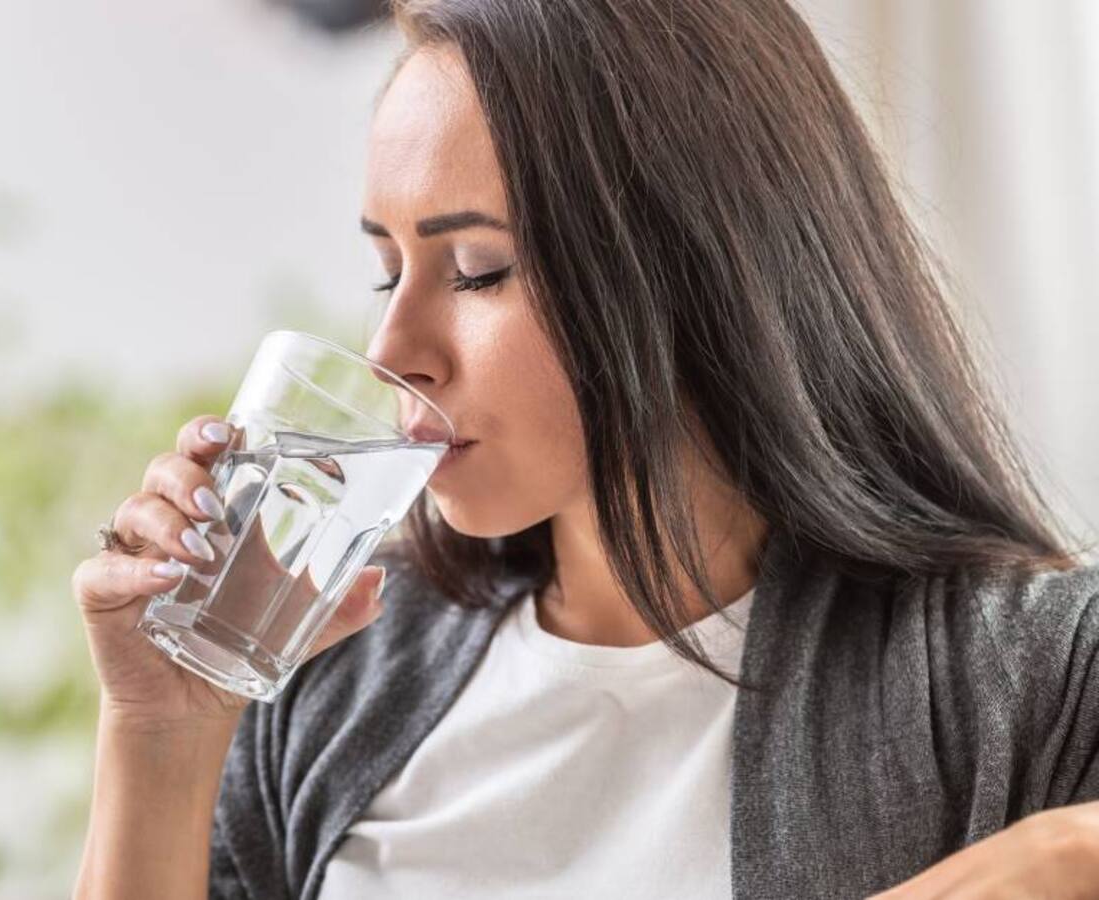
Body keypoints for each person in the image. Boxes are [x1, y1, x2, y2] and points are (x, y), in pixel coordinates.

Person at [70, 2, 1099, 898]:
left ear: (694, 265)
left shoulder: (1027, 670)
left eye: (476, 270)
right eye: (389, 273)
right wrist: (159, 732)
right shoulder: (338, 687)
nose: (394, 352)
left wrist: (1062, 855)